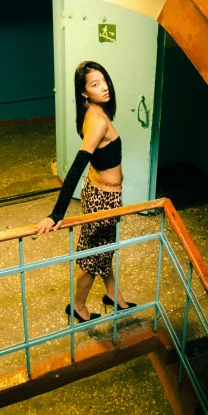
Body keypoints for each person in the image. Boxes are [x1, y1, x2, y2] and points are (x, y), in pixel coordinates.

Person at [35, 60, 135, 323]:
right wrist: (56, 214)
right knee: (92, 260)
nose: (104, 88)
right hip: (104, 200)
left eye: (104, 81)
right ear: (83, 92)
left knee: (102, 250)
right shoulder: (98, 122)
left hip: (100, 193)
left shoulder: (91, 114)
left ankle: (114, 296)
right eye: (94, 84)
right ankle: (78, 307)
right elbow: (77, 167)